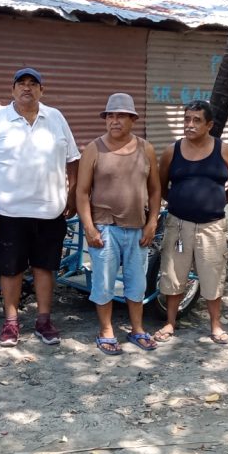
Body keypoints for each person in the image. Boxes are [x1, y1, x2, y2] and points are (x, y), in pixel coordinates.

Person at [0, 67, 80, 347]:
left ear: (41, 91)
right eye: (21, 83)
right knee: (10, 269)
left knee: (45, 267)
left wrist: (71, 196)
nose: (27, 88)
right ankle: (11, 323)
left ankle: (44, 321)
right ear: (12, 90)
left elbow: (73, 160)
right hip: (9, 212)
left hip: (50, 211)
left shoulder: (55, 117)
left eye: (33, 84)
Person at [75, 93, 161, 355]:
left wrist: (152, 222)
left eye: (121, 116)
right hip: (105, 228)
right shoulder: (94, 149)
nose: (115, 121)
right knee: (103, 283)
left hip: (137, 229)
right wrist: (89, 228)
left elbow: (155, 190)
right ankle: (106, 331)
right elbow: (82, 192)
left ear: (133, 119)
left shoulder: (146, 148)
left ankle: (137, 329)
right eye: (110, 116)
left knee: (137, 283)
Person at [155, 100, 228, 344]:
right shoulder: (172, 151)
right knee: (173, 274)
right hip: (178, 224)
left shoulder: (224, 151)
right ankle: (170, 323)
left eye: (196, 120)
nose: (190, 125)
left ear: (209, 125)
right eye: (187, 119)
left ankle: (216, 325)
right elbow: (161, 185)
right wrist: (179, 202)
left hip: (211, 226)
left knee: (212, 274)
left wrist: (218, 202)